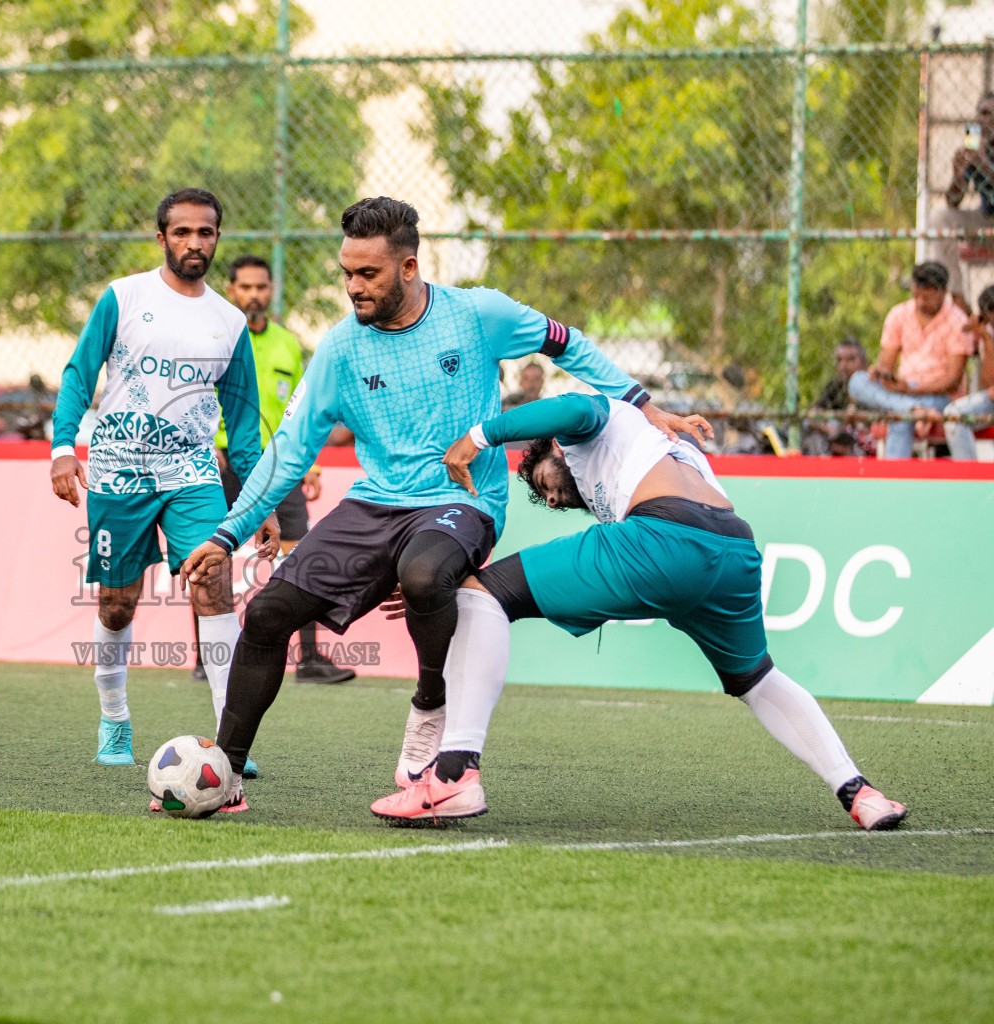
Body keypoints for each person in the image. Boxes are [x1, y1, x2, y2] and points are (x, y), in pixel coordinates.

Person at [180, 197, 682, 812]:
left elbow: (567, 343)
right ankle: (223, 776)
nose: (353, 287)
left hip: (463, 499)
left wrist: (641, 401)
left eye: (368, 274)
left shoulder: (478, 314)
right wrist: (227, 535)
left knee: (423, 573)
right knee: (266, 614)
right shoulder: (339, 349)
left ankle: (430, 702)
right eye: (347, 272)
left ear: (410, 267)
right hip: (374, 502)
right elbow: (287, 452)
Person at [367, 392, 908, 834]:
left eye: (545, 485)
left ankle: (457, 771)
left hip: (663, 539)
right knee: (757, 678)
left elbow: (572, 411)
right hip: (734, 551)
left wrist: (479, 438)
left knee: (482, 593)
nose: (552, 501)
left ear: (555, 450)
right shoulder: (662, 450)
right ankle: (860, 792)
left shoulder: (590, 429)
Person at [49, 187, 276, 775]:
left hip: (193, 472)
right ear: (161, 238)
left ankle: (230, 739)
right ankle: (115, 719)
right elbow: (79, 373)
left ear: (217, 239)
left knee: (214, 586)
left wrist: (261, 497)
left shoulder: (229, 322)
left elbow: (245, 424)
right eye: (182, 232)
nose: (194, 242)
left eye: (205, 233)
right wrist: (61, 448)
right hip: (118, 468)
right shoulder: (124, 297)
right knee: (119, 604)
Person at [196, 253, 354, 686]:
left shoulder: (287, 343)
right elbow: (191, 396)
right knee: (212, 556)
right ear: (231, 290)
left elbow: (306, 411)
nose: (254, 295)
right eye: (245, 287)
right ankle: (204, 659)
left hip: (281, 466)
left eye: (261, 286)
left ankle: (309, 659)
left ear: (271, 290)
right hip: (222, 461)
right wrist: (207, 447)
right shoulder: (215, 338)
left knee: (300, 555)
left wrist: (312, 463)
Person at [847, 262, 971, 459]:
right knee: (857, 382)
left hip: (937, 395)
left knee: (901, 418)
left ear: (943, 292)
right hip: (903, 390)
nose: (921, 302)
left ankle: (893, 481)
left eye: (928, 297)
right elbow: (886, 364)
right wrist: (881, 374)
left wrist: (909, 391)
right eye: (917, 295)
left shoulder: (958, 321)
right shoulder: (899, 314)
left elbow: (952, 381)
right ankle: (912, 409)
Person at [927, 93, 994, 309]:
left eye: (993, 114)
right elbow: (953, 201)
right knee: (940, 217)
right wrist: (958, 177)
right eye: (983, 113)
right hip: (985, 219)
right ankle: (957, 297)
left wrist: (983, 163)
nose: (988, 119)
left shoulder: (981, 154)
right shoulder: (974, 142)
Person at [939, 284, 994, 461]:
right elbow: (988, 382)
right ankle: (967, 473)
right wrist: (985, 338)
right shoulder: (988, 333)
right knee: (953, 414)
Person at [801, 337, 870, 457]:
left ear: (864, 362)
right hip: (834, 442)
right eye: (839, 360)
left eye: (850, 359)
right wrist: (830, 429)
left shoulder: (872, 388)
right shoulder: (834, 387)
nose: (843, 366)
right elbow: (813, 416)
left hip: (864, 445)